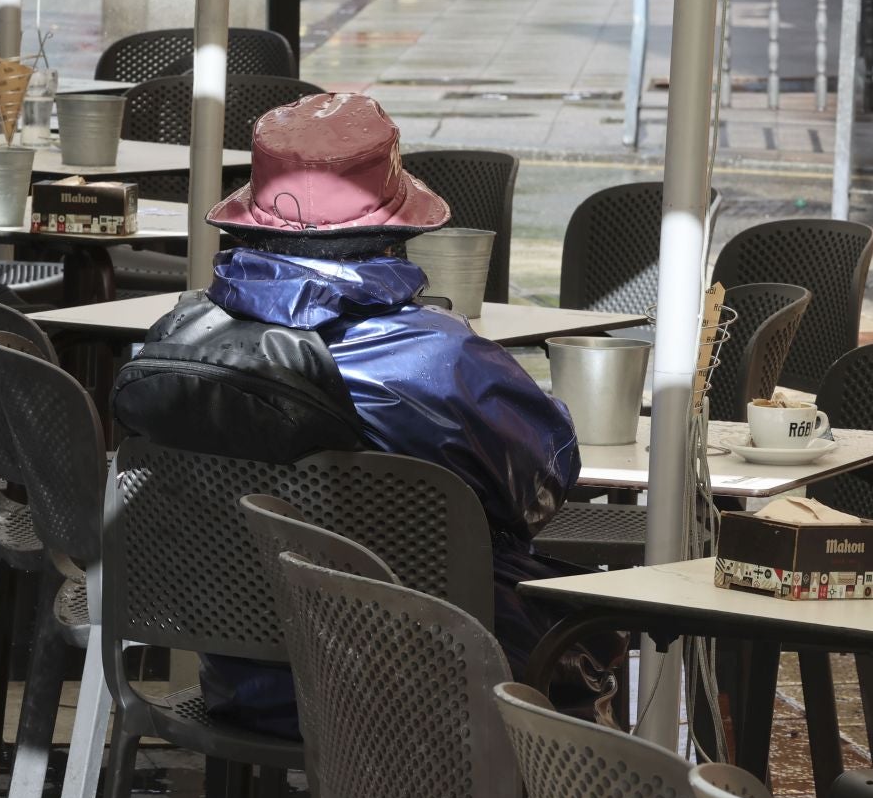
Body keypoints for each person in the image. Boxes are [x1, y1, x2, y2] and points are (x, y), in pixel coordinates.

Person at [168, 92, 615, 736]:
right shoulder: (444, 360)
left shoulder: (180, 335)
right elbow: (544, 487)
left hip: (251, 682)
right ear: (398, 230)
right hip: (432, 689)